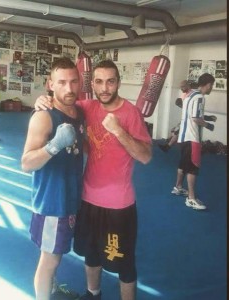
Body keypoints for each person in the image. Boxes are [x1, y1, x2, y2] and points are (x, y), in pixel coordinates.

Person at [34, 59, 152, 300]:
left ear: (118, 82)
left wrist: (119, 131)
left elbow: (146, 157)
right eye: (99, 82)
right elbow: (61, 100)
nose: (105, 88)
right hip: (86, 199)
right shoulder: (86, 107)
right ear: (92, 84)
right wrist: (42, 99)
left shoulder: (131, 113)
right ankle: (93, 294)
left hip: (119, 204)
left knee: (124, 264)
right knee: (91, 254)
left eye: (110, 81)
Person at [21, 57, 85, 300]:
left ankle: (53, 288)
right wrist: (54, 145)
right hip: (52, 203)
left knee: (55, 254)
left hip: (70, 198)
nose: (69, 88)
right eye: (62, 82)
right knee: (50, 259)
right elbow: (26, 163)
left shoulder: (78, 111)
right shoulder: (44, 116)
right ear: (51, 84)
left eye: (74, 82)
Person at [171, 73, 216, 210]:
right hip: (193, 138)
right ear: (208, 85)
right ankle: (191, 199)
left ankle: (178, 187)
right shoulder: (200, 97)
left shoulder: (190, 95)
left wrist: (207, 117)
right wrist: (209, 125)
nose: (211, 88)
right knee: (193, 167)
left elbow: (191, 114)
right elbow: (196, 118)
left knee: (184, 163)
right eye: (211, 85)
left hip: (184, 137)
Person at [158, 80, 193, 152]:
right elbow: (184, 107)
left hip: (191, 118)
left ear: (188, 85)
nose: (181, 88)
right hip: (185, 117)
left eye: (183, 87)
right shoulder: (184, 94)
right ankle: (169, 142)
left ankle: (167, 146)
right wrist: (180, 105)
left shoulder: (192, 95)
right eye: (180, 87)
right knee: (175, 130)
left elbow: (192, 109)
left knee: (177, 131)